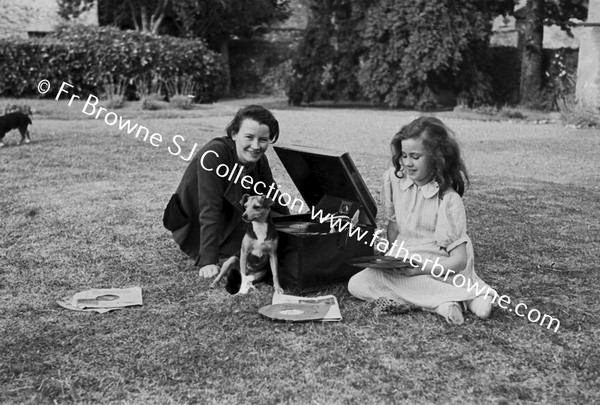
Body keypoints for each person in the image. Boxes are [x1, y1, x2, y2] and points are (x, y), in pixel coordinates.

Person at [348, 116, 495, 325]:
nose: (407, 163)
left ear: (437, 159)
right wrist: (387, 259)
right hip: (407, 257)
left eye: (415, 157)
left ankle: (471, 297)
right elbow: (395, 223)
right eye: (404, 155)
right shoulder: (394, 179)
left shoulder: (448, 199)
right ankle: (447, 302)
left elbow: (459, 260)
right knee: (358, 284)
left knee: (418, 280)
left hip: (438, 263)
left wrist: (419, 269)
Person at [163, 105, 289, 278]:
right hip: (194, 221)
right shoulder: (214, 155)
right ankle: (219, 246)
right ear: (235, 134)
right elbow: (209, 207)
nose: (255, 145)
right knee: (251, 247)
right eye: (249, 137)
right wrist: (208, 261)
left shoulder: (260, 160)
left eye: (263, 139)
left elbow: (272, 195)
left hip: (230, 212)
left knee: (272, 237)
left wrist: (291, 225)